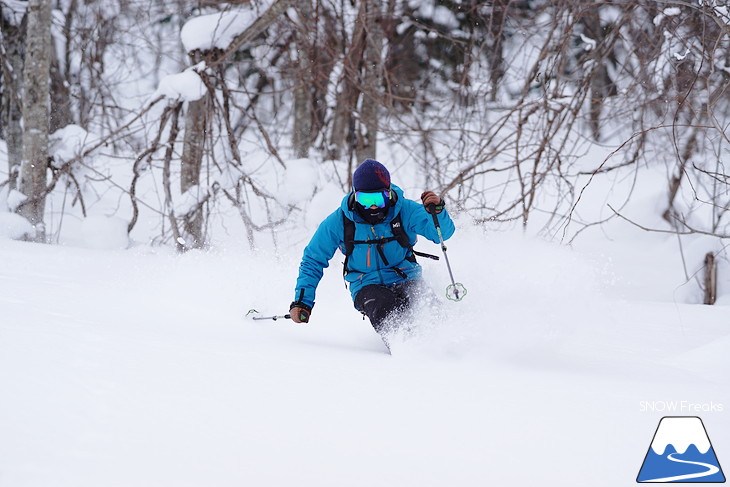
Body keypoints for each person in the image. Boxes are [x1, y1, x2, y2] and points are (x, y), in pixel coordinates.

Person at [289, 159, 456, 344]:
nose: (373, 206)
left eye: (378, 199)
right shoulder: (341, 220)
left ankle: (449, 347)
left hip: (406, 277)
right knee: (386, 306)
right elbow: (313, 259)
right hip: (366, 284)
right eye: (366, 200)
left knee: (428, 308)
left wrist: (438, 211)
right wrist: (302, 301)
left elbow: (442, 234)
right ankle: (408, 349)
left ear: (389, 193)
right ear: (355, 194)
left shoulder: (404, 210)